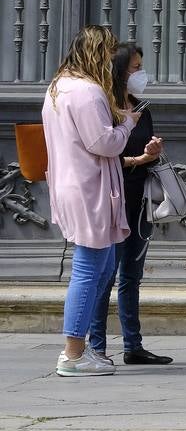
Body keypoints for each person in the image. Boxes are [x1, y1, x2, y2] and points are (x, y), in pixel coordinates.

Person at [42, 25, 155, 377]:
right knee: (90, 269)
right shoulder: (88, 91)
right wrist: (127, 126)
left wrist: (117, 120)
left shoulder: (59, 87)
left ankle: (86, 349)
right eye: (108, 54)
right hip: (89, 187)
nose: (110, 62)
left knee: (104, 267)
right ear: (96, 53)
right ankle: (73, 354)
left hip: (74, 184)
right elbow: (102, 142)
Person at [87, 43, 172, 366]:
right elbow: (102, 156)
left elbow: (140, 149)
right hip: (113, 199)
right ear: (120, 72)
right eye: (135, 68)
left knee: (132, 276)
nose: (141, 74)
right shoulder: (103, 110)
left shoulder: (142, 108)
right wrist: (138, 158)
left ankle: (133, 345)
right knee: (105, 275)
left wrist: (153, 149)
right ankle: (96, 346)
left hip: (141, 201)